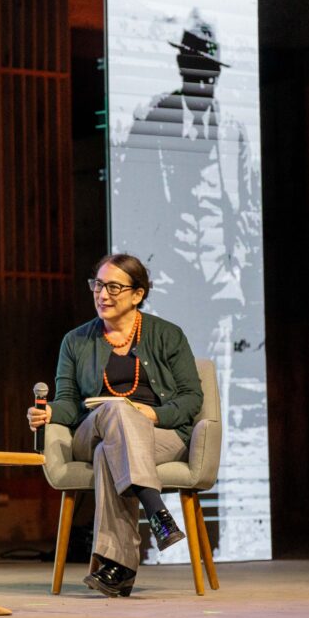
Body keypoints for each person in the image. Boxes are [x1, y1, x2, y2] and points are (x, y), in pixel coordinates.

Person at [27, 253, 203, 597]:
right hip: (91, 431)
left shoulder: (168, 335)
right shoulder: (75, 340)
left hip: (159, 435)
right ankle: (157, 510)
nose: (102, 294)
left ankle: (118, 569)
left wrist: (150, 414)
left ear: (137, 294)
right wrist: (50, 414)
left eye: (113, 287)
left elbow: (191, 398)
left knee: (114, 450)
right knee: (117, 412)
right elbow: (67, 399)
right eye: (97, 285)